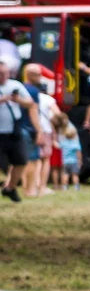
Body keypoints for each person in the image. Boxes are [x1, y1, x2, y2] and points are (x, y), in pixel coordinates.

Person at [0, 60, 41, 202]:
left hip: (14, 131)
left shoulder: (15, 85)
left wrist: (18, 100)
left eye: (6, 73)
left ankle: (10, 188)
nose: (4, 76)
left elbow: (30, 104)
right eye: (1, 74)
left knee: (21, 161)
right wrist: (2, 100)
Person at [21, 64, 57, 197]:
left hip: (20, 128)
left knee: (23, 160)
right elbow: (34, 111)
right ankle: (37, 188)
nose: (40, 77)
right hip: (36, 129)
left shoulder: (19, 89)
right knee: (38, 160)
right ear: (30, 75)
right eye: (38, 75)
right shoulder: (35, 93)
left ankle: (26, 187)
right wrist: (39, 130)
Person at [56, 116, 82, 191]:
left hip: (65, 162)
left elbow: (57, 146)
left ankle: (64, 187)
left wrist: (53, 140)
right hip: (74, 161)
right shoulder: (76, 144)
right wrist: (80, 161)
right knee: (75, 175)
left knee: (65, 174)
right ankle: (76, 187)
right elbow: (79, 153)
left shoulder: (64, 143)